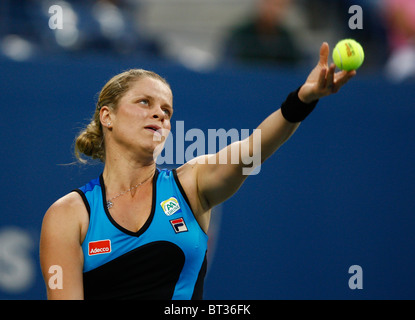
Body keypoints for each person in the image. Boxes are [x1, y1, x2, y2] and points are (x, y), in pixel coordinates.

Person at [39, 42, 356, 300]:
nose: (159, 115)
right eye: (144, 102)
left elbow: (252, 151)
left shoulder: (191, 185)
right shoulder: (69, 215)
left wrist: (303, 99)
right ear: (107, 116)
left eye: (167, 110)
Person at [223, 0, 302, 67]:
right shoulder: (242, 35)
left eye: (280, 7)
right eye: (271, 4)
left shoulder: (286, 38)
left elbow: (293, 66)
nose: (274, 11)